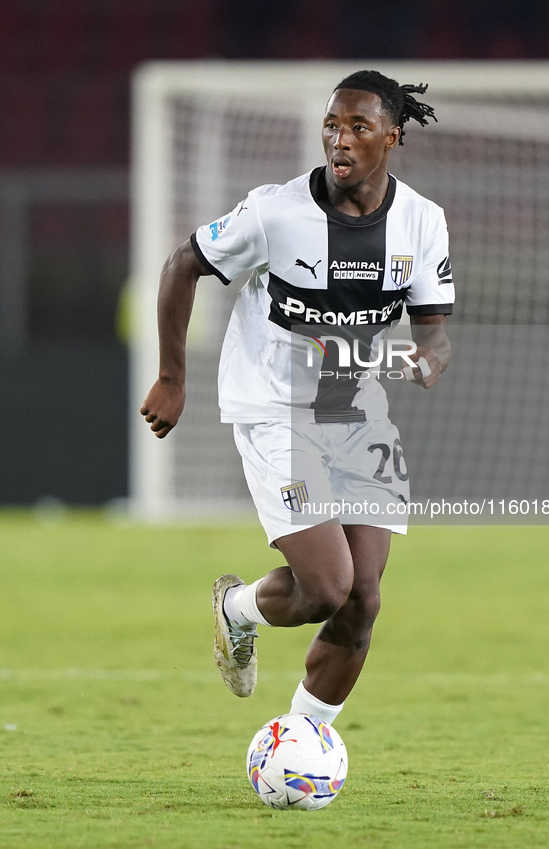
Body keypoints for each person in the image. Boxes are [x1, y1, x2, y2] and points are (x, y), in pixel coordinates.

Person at [140, 69, 454, 726]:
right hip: (272, 409)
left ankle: (302, 738)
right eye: (331, 125)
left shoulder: (423, 223)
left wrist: (421, 359)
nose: (339, 140)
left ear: (391, 137)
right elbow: (181, 264)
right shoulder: (274, 212)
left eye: (357, 127)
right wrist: (173, 377)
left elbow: (433, 337)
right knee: (325, 586)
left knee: (362, 599)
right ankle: (237, 610)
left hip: (355, 410)